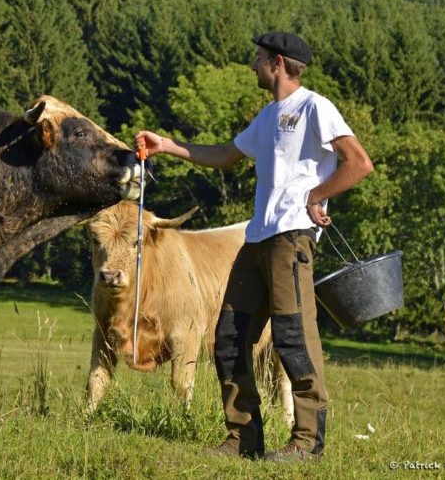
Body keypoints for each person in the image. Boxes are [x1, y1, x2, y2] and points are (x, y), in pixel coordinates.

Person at [135, 31, 373, 463]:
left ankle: (306, 443)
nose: (253, 65)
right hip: (257, 238)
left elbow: (359, 163)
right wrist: (167, 146)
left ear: (278, 63)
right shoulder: (267, 116)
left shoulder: (314, 107)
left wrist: (317, 196)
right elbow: (226, 154)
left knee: (293, 338)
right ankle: (243, 437)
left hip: (292, 238)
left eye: (259, 58)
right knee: (228, 336)